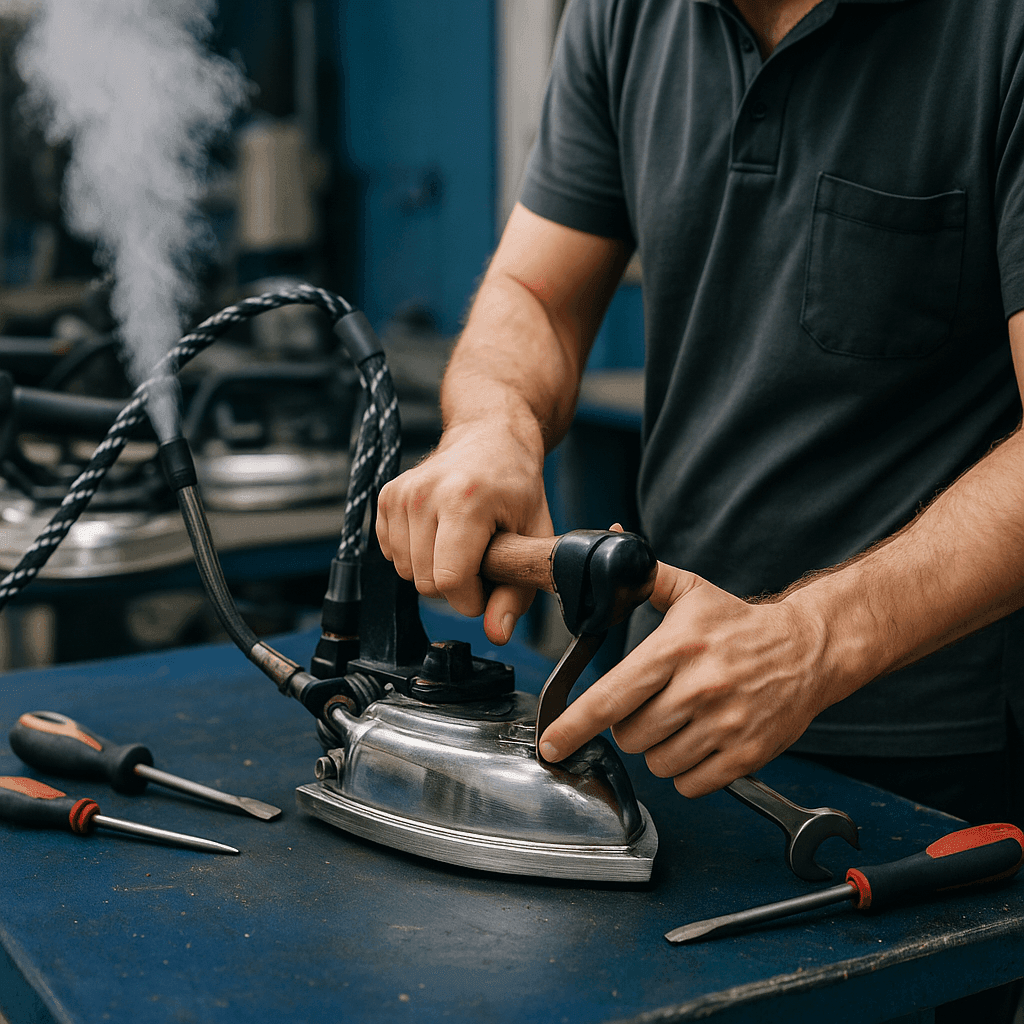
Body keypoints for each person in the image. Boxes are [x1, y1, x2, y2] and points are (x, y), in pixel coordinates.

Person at [377, 1, 1024, 1015]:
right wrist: (491, 424)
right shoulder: (625, 16)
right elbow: (536, 296)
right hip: (662, 739)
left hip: (925, 776)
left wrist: (813, 638)